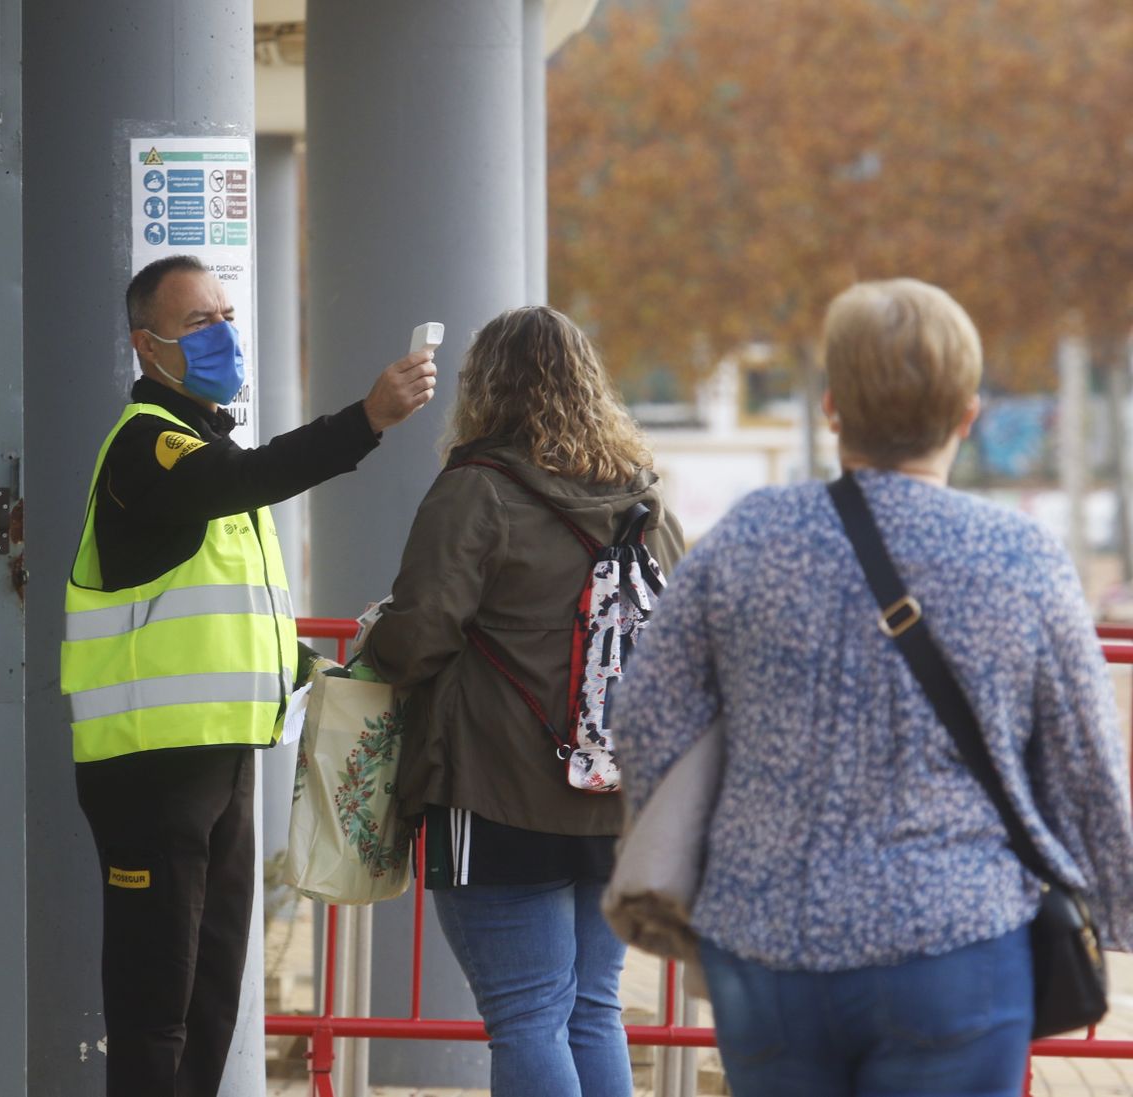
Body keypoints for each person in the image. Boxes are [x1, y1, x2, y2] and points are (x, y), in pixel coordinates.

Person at [615, 278, 1133, 1096]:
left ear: (832, 409)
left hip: (767, 939)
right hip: (956, 937)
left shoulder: (750, 538)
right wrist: (1117, 901)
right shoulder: (1021, 557)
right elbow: (1087, 763)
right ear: (968, 415)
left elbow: (644, 711)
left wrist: (710, 850)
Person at [62, 254, 436, 1097]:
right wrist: (365, 420)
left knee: (209, 997)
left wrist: (315, 669)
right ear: (145, 346)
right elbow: (239, 480)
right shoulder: (148, 450)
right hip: (148, 768)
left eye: (226, 314)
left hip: (219, 760)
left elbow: (227, 618)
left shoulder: (202, 453)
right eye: (199, 322)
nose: (223, 333)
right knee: (154, 1003)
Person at [363, 305, 685, 1097]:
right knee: (591, 1008)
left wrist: (378, 638)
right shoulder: (641, 498)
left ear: (486, 388)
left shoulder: (476, 488)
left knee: (526, 1015)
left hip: (495, 787)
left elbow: (418, 639)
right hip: (614, 793)